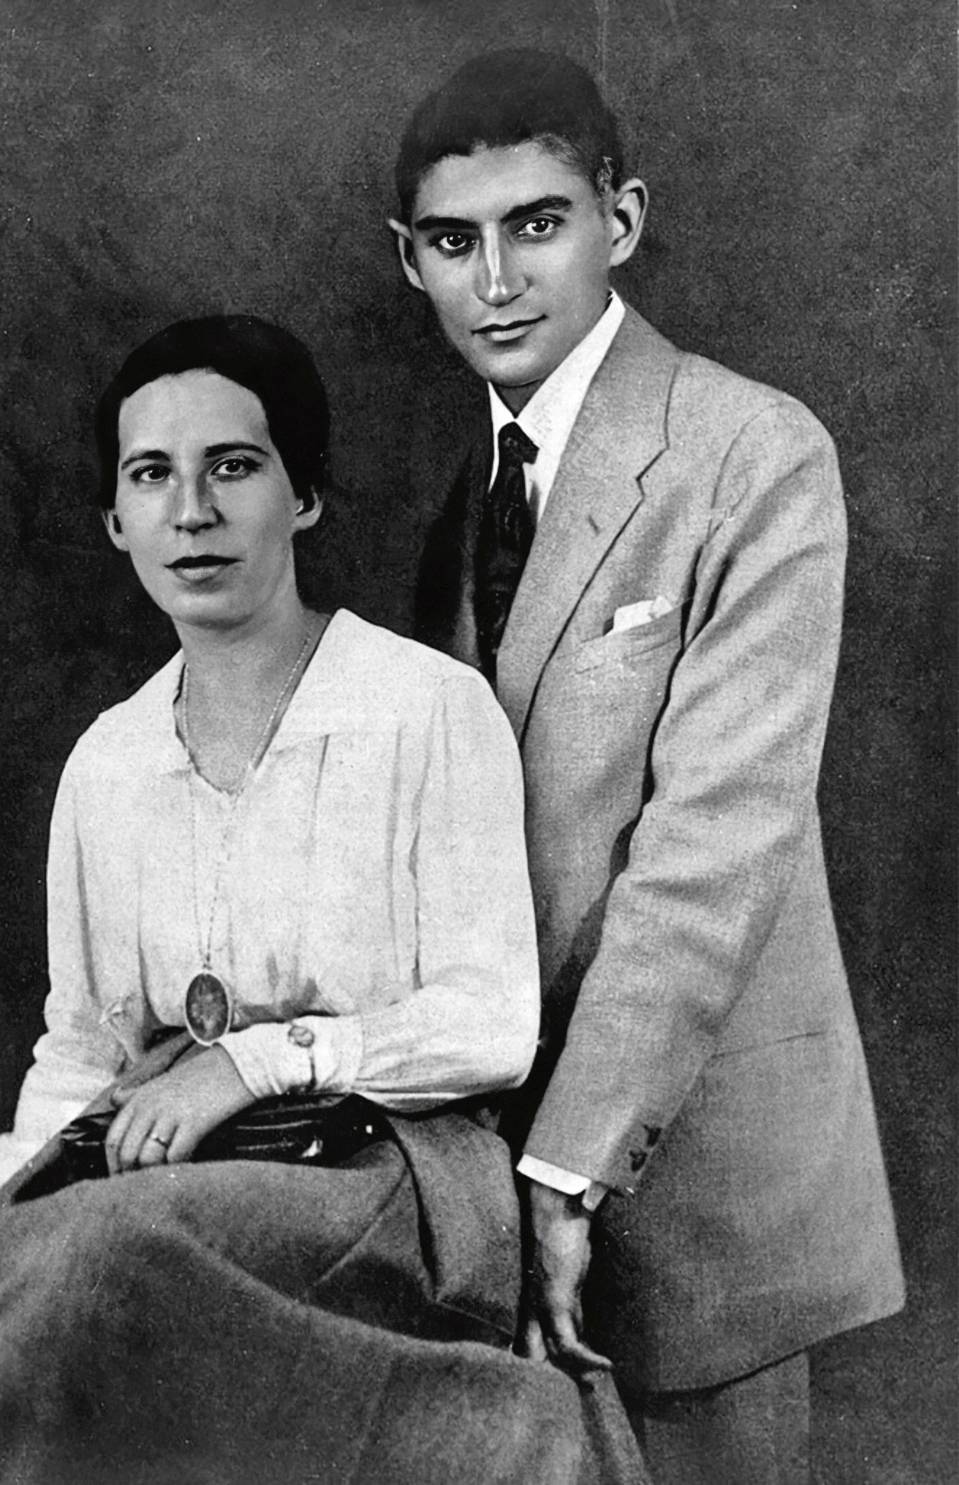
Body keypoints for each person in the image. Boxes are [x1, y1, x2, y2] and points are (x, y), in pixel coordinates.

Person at [0, 314, 545, 1484]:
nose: (191, 511)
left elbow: (493, 1022)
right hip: (168, 1171)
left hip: (390, 1172)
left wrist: (253, 1062)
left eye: (233, 466)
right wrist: (13, 1212)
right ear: (115, 520)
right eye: (151, 476)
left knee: (104, 1258)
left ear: (303, 498)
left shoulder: (425, 709)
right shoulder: (109, 760)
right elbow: (83, 1044)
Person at [390, 49, 905, 1485]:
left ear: (618, 221)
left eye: (536, 225)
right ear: (409, 262)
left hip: (697, 1193)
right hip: (492, 1189)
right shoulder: (464, 500)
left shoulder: (751, 452)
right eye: (452, 241)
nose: (496, 279)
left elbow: (713, 846)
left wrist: (566, 1169)